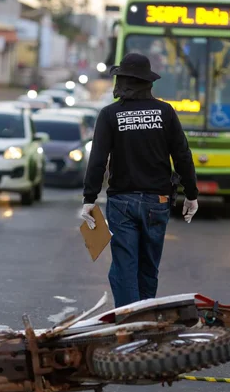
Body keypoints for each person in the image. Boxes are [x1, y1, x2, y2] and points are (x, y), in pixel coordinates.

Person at [81, 53, 199, 309]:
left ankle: (128, 325)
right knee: (148, 267)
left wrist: (89, 199)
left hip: (122, 202)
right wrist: (191, 193)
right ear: (148, 83)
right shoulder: (165, 112)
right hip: (158, 202)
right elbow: (182, 155)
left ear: (121, 81)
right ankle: (145, 321)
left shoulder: (110, 115)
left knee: (124, 267)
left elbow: (98, 160)